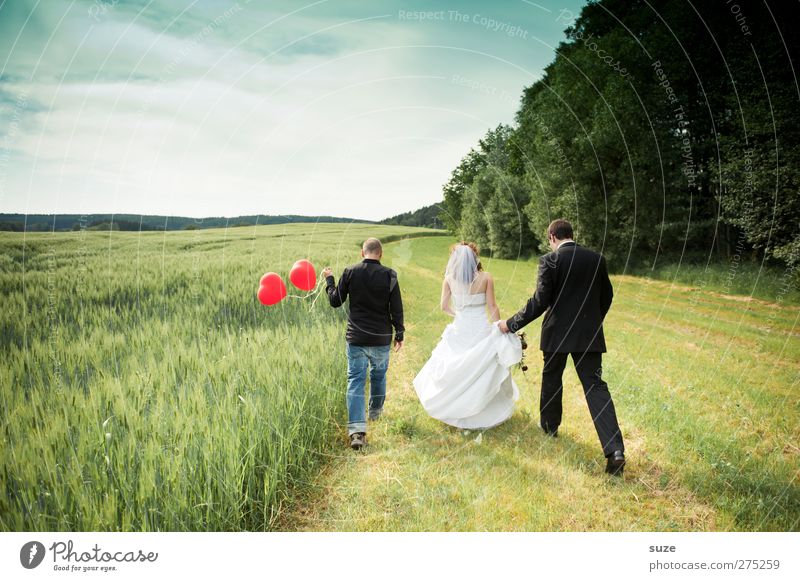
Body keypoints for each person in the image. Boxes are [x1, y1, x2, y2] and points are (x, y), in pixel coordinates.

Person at [499, 219, 626, 476]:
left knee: (552, 378)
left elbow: (540, 301)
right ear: (571, 234)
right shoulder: (596, 259)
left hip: (557, 333)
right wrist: (592, 321)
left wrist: (511, 324)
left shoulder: (550, 261)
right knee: (595, 386)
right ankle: (615, 450)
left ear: (552, 237)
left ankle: (549, 427)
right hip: (589, 334)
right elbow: (607, 295)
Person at [413, 242, 522, 429]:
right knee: (483, 366)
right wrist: (498, 327)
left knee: (457, 367)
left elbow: (444, 306)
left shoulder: (449, 279)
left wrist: (459, 314)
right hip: (481, 328)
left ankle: (453, 407)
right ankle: (484, 409)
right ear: (475, 258)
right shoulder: (486, 277)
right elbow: (493, 306)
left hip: (460, 328)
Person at [323, 238, 404, 451]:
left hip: (356, 337)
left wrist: (330, 280)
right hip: (380, 337)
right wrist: (400, 333)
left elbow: (335, 301)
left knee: (356, 380)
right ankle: (375, 413)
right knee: (378, 376)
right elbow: (396, 307)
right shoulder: (390, 275)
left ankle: (357, 432)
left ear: (362, 253)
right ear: (381, 253)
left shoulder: (350, 272)